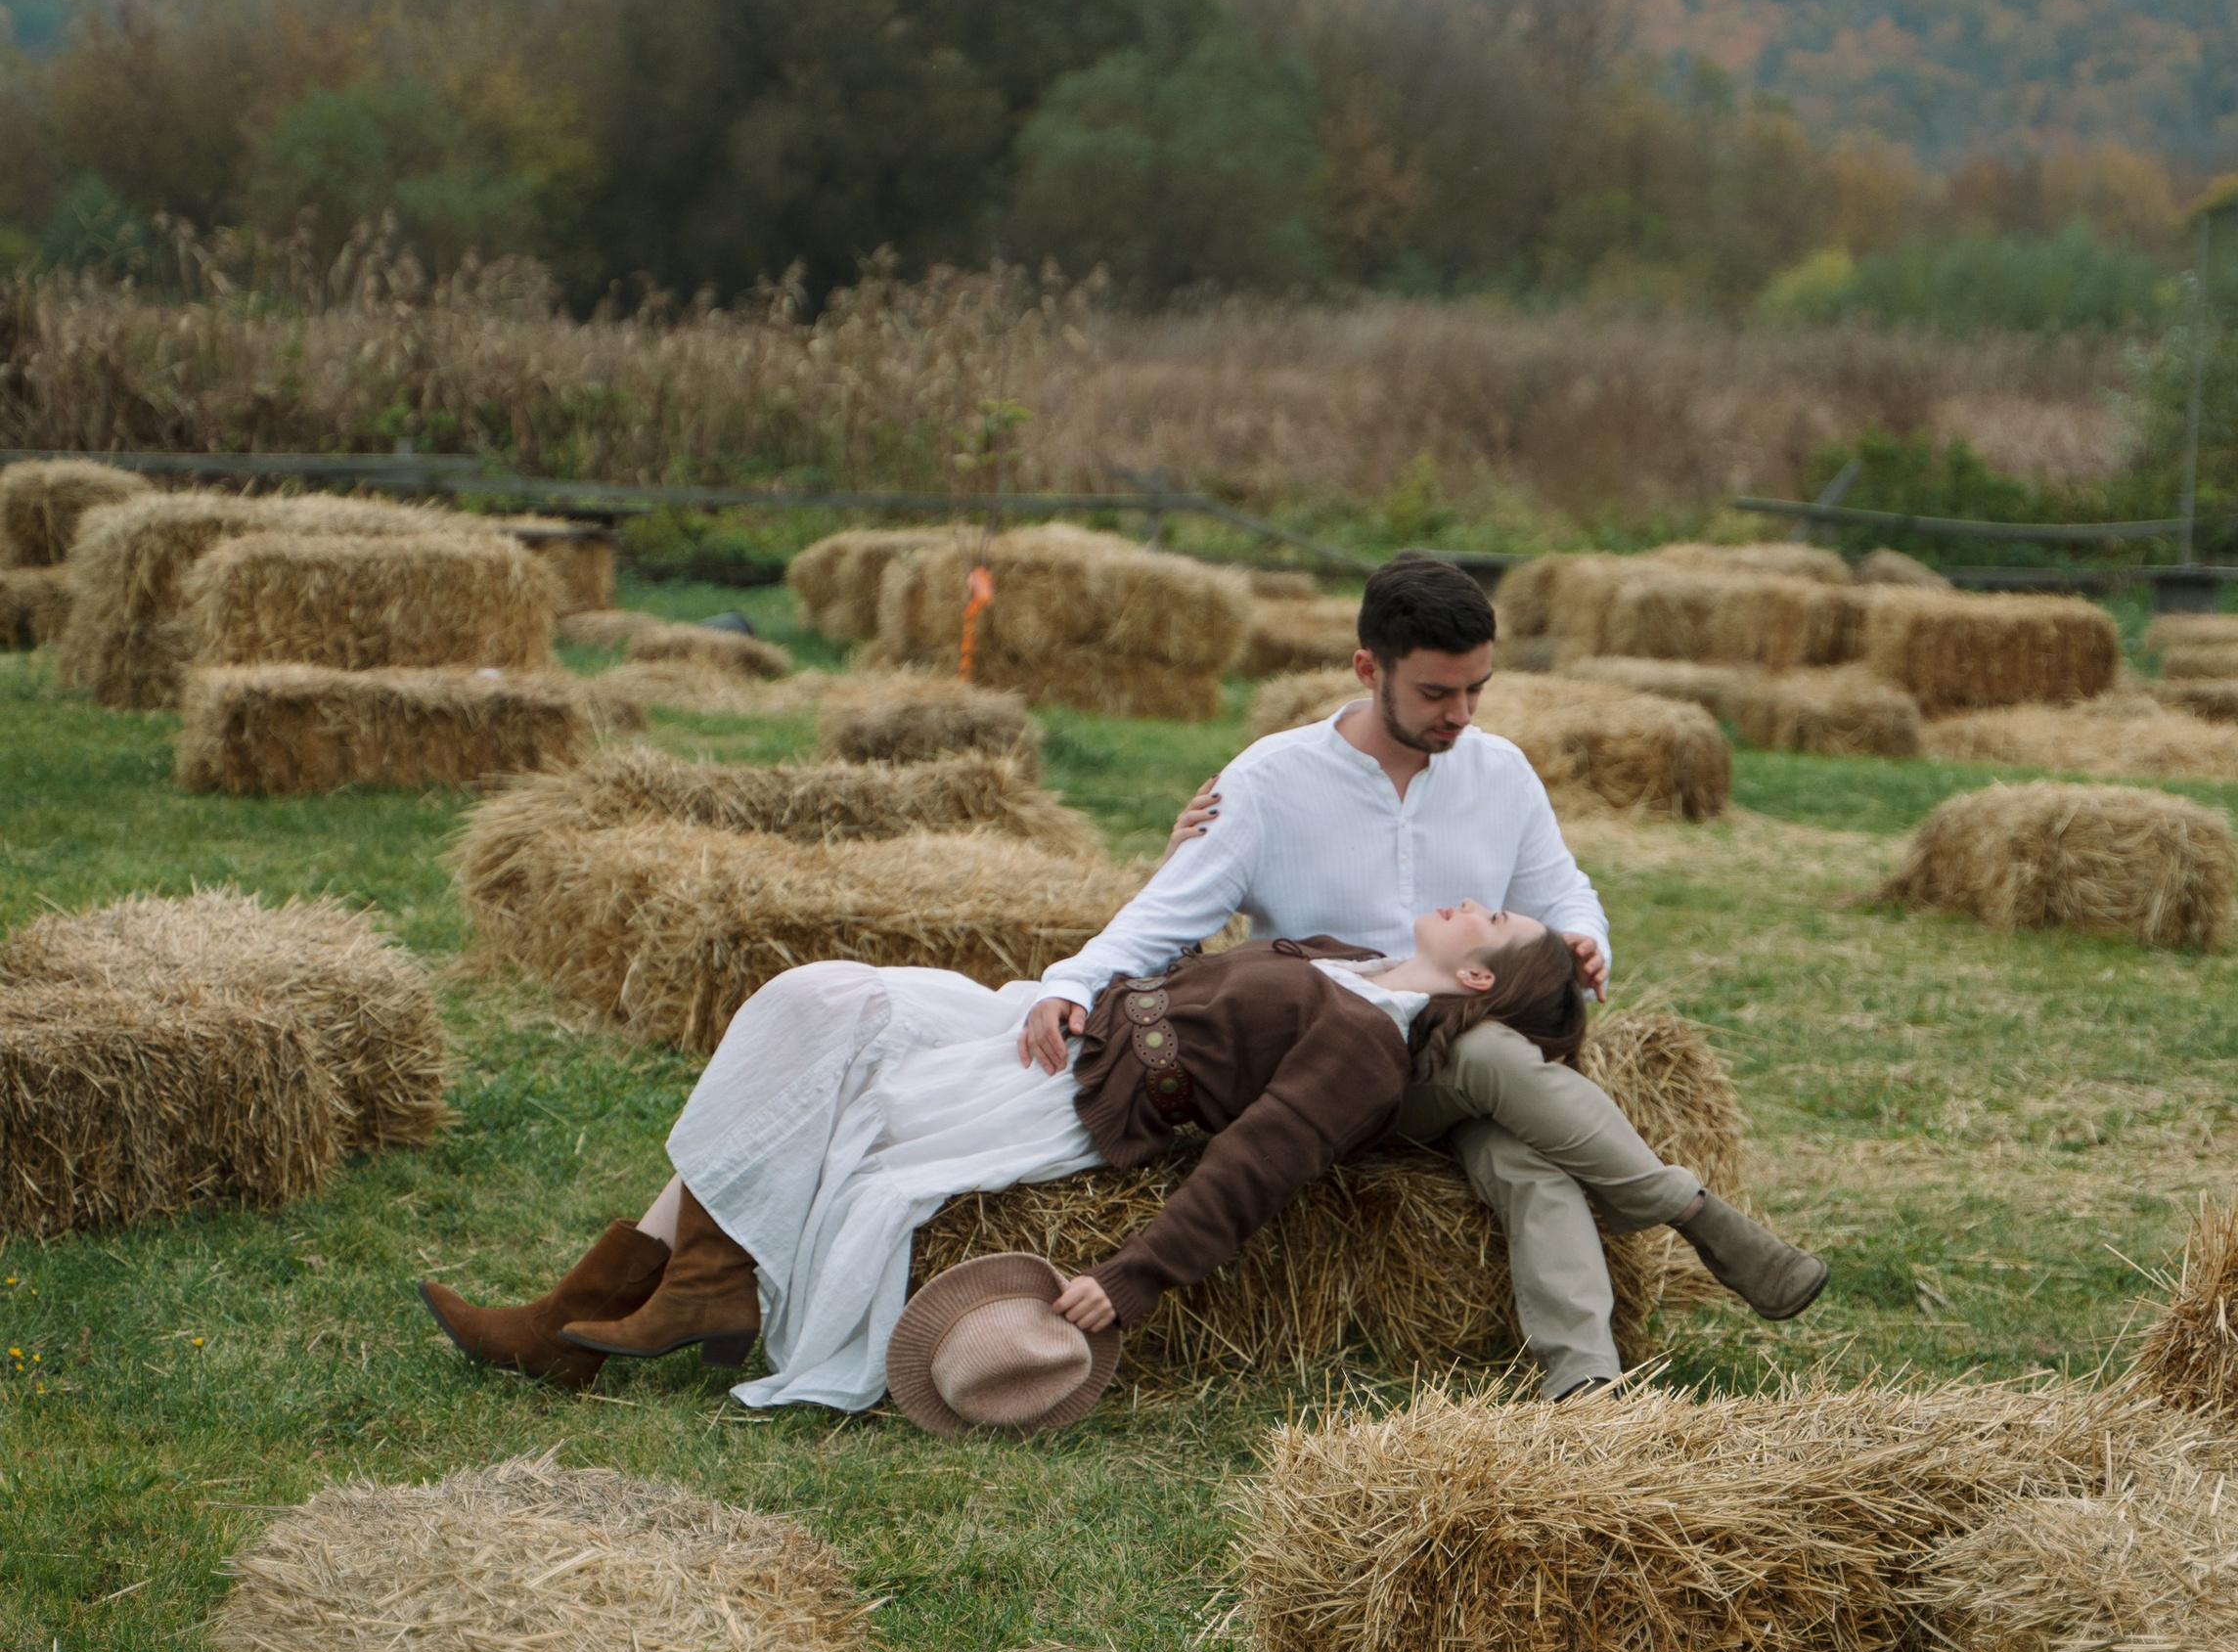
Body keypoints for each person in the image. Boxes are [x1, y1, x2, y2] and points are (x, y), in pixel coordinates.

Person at [1013, 551, 1827, 1397]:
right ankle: (1680, 1206)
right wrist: (1071, 983)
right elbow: (1166, 909)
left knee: (1524, 1160)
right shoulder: (1271, 780)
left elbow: (1563, 891)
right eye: (1438, 693)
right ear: (1369, 669)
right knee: (1493, 1063)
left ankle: (1585, 1386)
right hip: (1332, 1062)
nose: (1461, 714)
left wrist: (1583, 940)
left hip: (1452, 1042)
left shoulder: (1501, 772)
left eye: (1477, 689)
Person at [417, 901, 1604, 1434]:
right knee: (811, 994)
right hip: (1045, 1026)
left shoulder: (1363, 1049)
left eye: (1489, 920)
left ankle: (647, 1300)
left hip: (1073, 1102)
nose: (1465, 902)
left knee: (845, 1088)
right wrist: (1070, 991)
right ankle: (633, 1294)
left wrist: (1136, 1276)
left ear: (1478, 981)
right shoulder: (1348, 956)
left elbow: (1260, 1162)